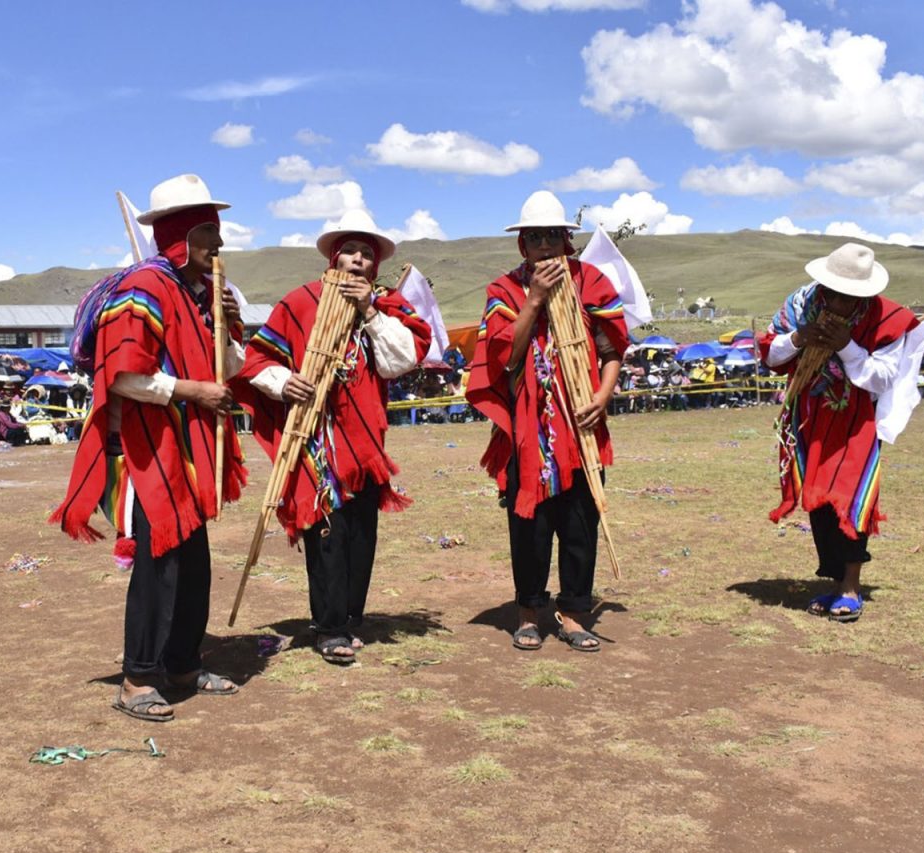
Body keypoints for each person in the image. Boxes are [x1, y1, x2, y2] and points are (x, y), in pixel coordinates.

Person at [52, 175, 248, 721]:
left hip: (188, 444)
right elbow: (120, 374)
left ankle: (184, 662)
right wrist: (190, 391)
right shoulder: (145, 287)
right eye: (209, 233)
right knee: (158, 563)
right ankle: (137, 677)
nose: (220, 246)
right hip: (147, 447)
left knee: (194, 562)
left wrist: (231, 327)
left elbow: (229, 369)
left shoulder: (199, 294)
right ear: (180, 235)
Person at [234, 210, 432, 664]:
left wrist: (370, 311)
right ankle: (327, 627)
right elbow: (256, 361)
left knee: (361, 534)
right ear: (333, 256)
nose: (358, 261)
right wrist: (285, 382)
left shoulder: (387, 307)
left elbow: (397, 362)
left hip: (364, 445)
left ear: (376, 266)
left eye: (368, 254)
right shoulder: (300, 303)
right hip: (315, 442)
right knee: (326, 533)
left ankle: (349, 616)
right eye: (351, 251)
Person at [465, 191, 628, 652]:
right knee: (529, 524)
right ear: (522, 246)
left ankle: (575, 614)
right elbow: (504, 357)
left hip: (580, 426)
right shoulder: (504, 291)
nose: (543, 245)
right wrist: (534, 299)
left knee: (580, 523)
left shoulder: (591, 281)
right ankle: (529, 612)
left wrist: (601, 395)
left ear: (566, 240)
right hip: (528, 430)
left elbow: (612, 350)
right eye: (533, 237)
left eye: (552, 236)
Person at [759, 242, 924, 623]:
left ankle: (852, 586)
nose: (837, 302)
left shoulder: (888, 318)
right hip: (809, 417)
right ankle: (836, 580)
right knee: (819, 500)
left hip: (857, 420)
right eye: (833, 292)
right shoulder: (801, 304)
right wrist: (799, 339)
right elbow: (771, 355)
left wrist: (846, 346)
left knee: (850, 499)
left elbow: (881, 379)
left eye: (848, 296)